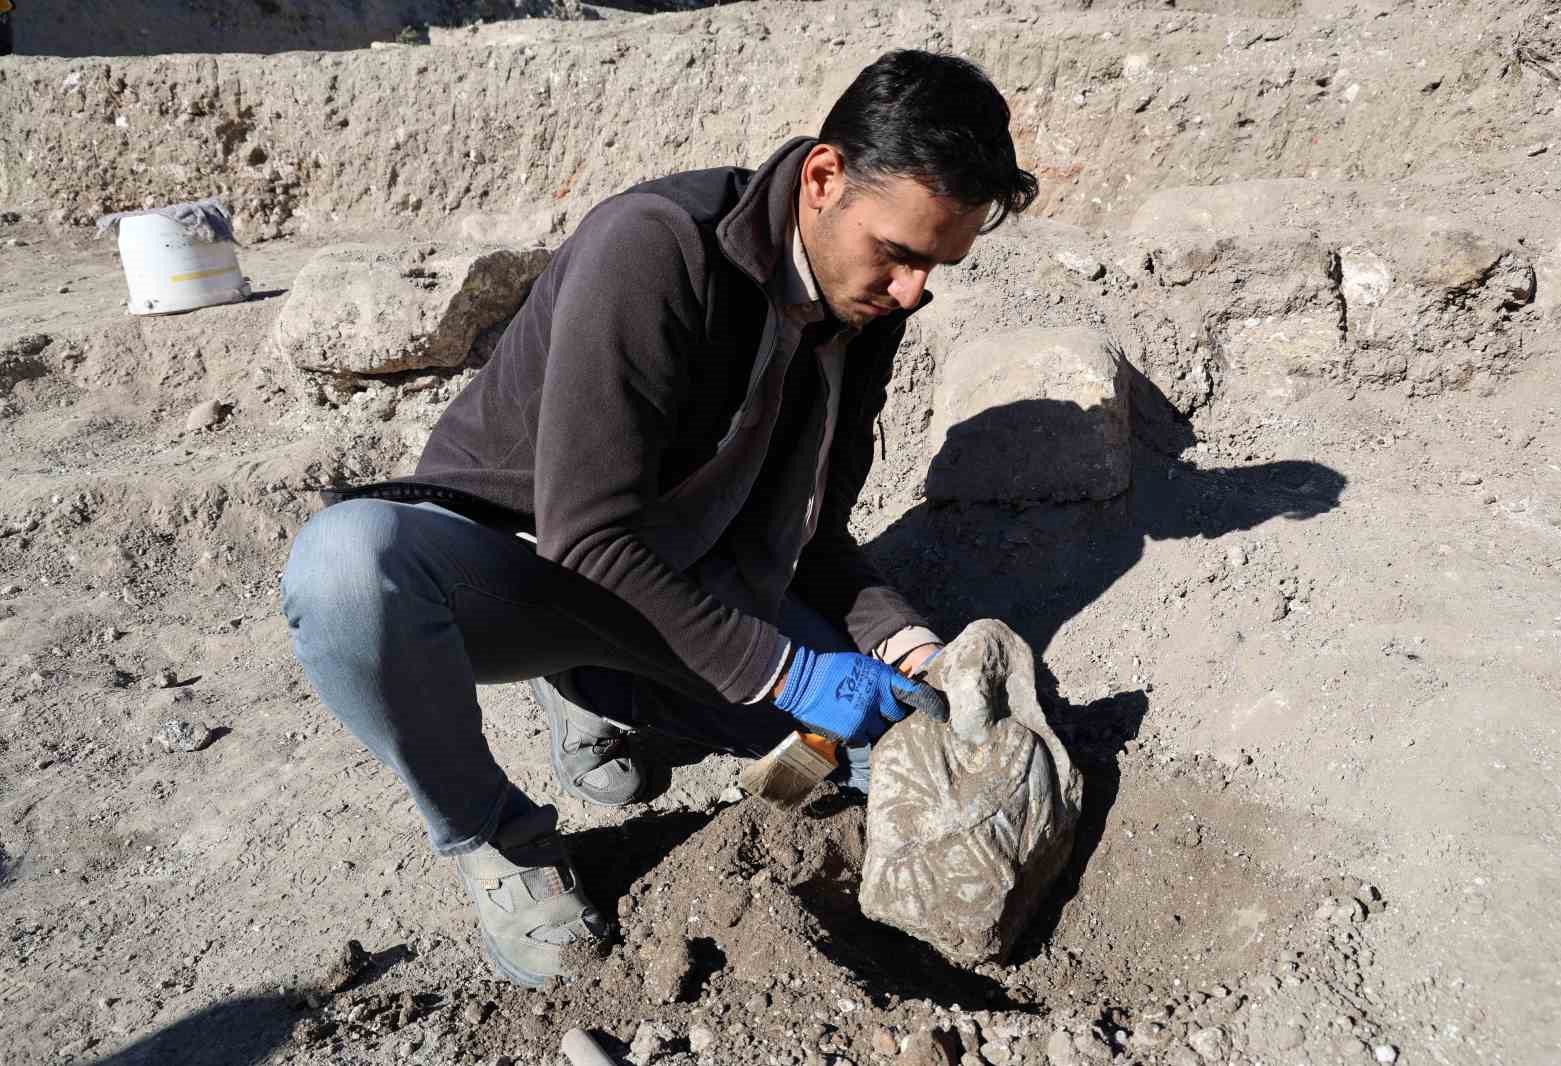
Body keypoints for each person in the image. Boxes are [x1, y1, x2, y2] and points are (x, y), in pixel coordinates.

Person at [280, 49, 1038, 988]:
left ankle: (605, 689)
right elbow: (587, 540)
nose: (915, 291)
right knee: (347, 568)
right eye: (900, 253)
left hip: (681, 587)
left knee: (887, 760)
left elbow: (814, 539)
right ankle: (499, 840)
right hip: (523, 572)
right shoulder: (657, 248)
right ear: (823, 178)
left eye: (938, 265)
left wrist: (911, 648)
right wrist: (787, 670)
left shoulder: (865, 306)